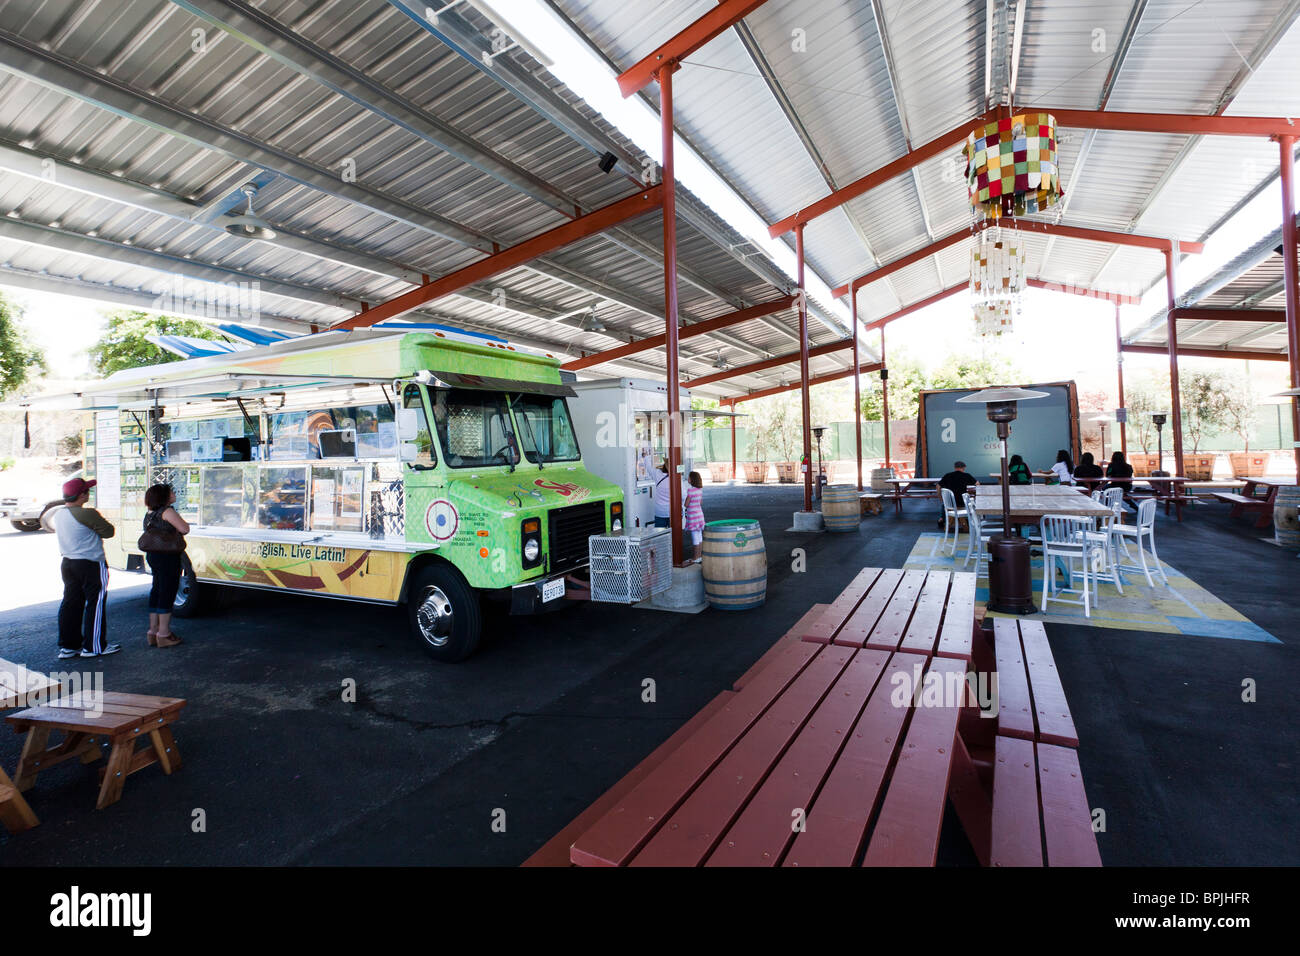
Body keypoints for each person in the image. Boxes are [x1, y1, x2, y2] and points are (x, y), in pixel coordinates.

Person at [46, 477, 120, 659]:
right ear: (81, 495)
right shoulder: (87, 513)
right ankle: (94, 646)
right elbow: (109, 532)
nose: (89, 493)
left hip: (68, 562)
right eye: (87, 491)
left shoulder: (60, 513)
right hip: (90, 563)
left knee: (71, 602)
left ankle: (68, 646)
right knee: (96, 603)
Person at [141, 483, 190, 648]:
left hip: (153, 555)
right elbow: (184, 529)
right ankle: (164, 634)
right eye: (171, 492)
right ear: (165, 496)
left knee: (157, 590)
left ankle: (152, 632)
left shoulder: (150, 513)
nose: (174, 494)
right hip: (168, 556)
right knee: (167, 592)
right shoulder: (167, 511)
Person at [937, 461, 978, 528]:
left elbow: (938, 486)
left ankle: (941, 519)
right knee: (972, 502)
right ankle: (969, 520)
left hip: (950, 504)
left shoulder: (947, 475)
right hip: (962, 503)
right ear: (964, 468)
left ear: (955, 467)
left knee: (944, 504)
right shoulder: (967, 476)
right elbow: (977, 484)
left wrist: (940, 497)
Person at [652, 457, 688, 529]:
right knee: (674, 535)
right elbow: (683, 495)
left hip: (659, 511)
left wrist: (646, 456)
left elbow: (648, 465)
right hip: (673, 511)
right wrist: (682, 507)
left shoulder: (657, 474)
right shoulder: (677, 479)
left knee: (660, 535)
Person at [684, 471, 706, 564]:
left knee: (694, 538)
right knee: (699, 536)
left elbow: (686, 504)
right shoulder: (699, 490)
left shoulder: (690, 490)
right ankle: (700, 556)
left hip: (692, 517)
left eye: (689, 478)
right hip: (699, 515)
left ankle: (695, 557)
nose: (688, 479)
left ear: (692, 479)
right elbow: (700, 503)